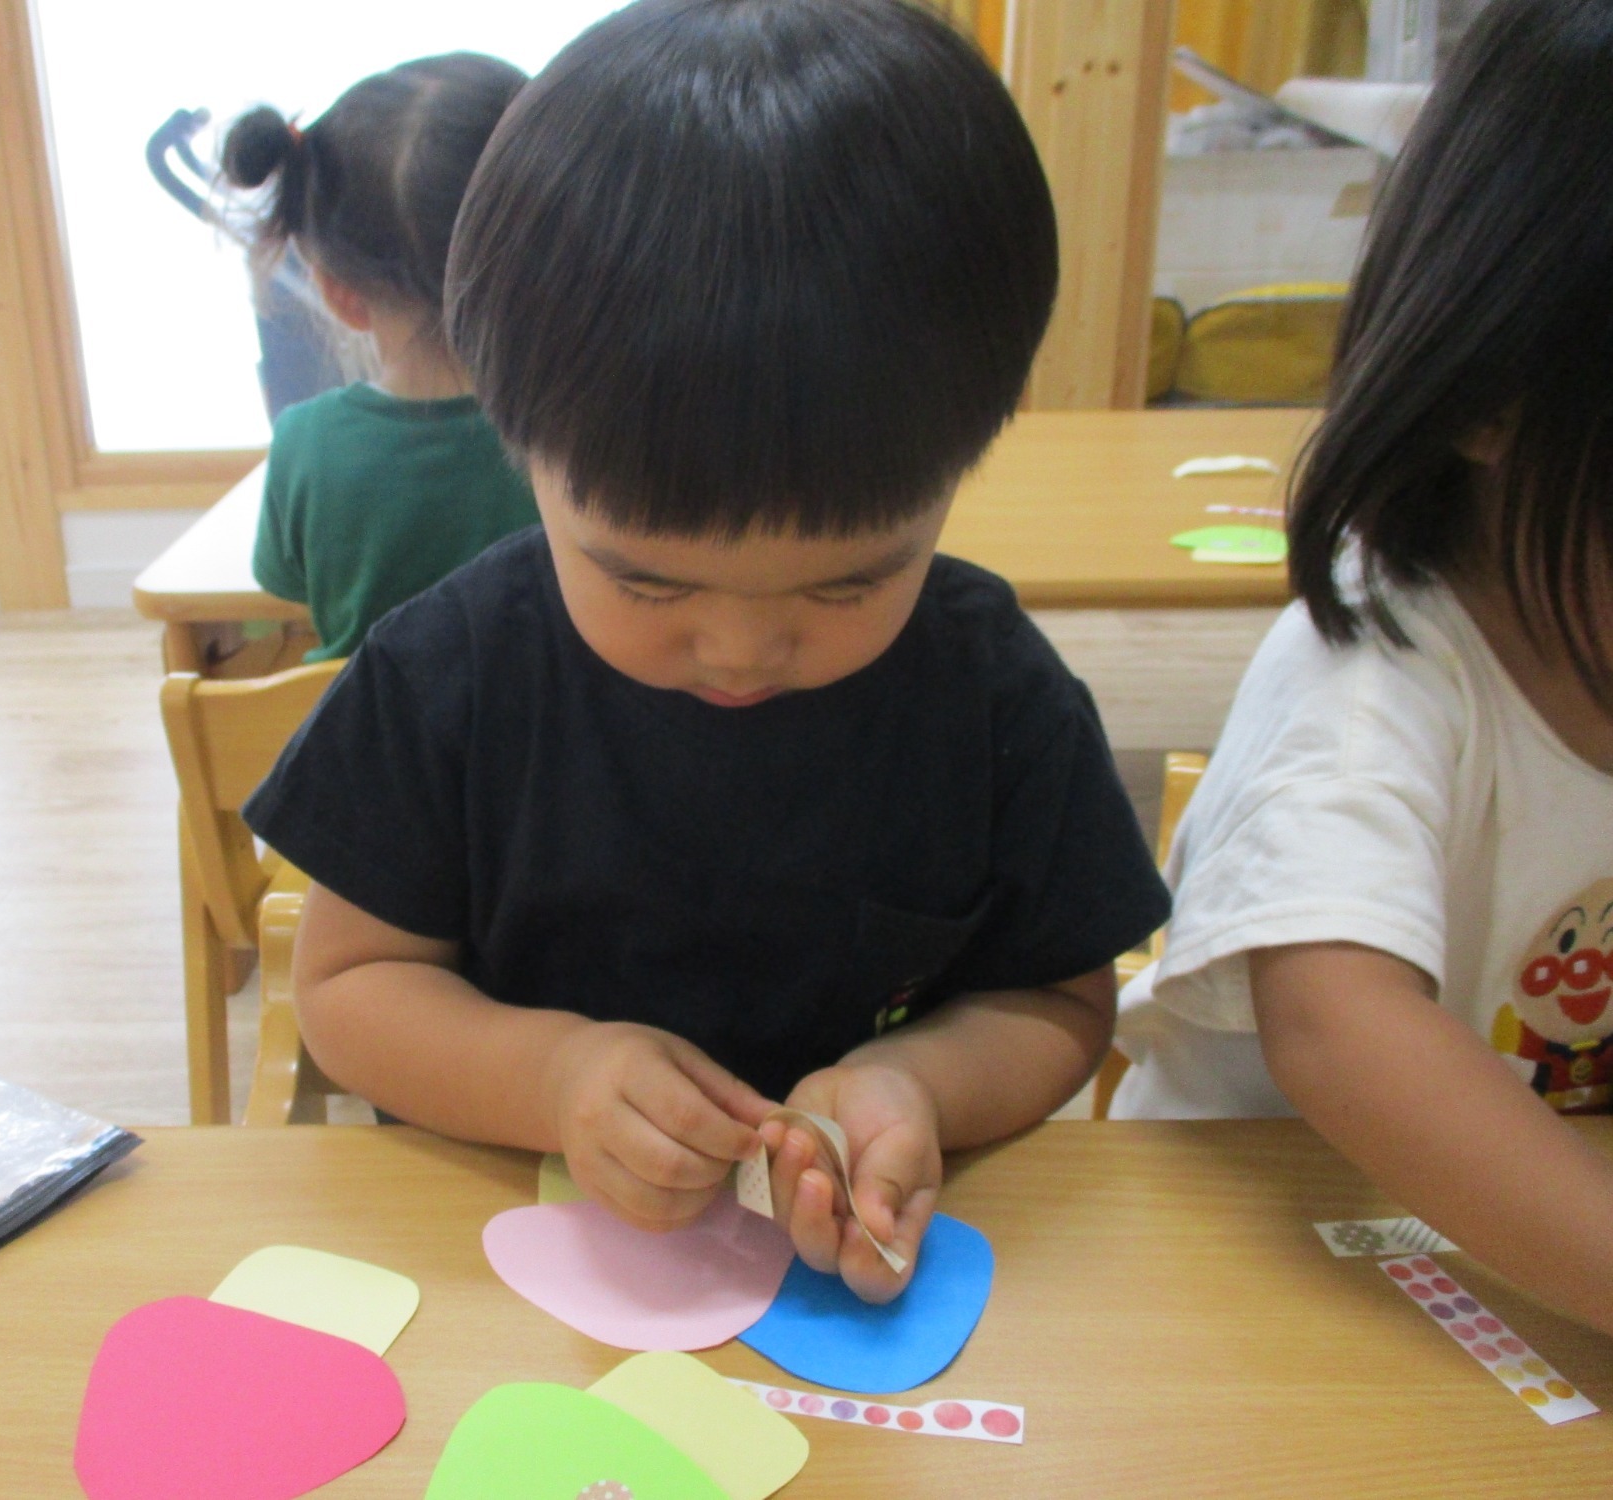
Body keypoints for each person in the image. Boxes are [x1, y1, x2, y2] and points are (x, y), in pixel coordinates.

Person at [246, 0, 1168, 1302]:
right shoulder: (448, 674)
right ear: (519, 444)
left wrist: (922, 1084)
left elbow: (1063, 1001)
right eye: (644, 577)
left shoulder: (991, 690)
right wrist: (554, 1076)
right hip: (515, 1282)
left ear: (960, 473)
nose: (740, 647)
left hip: (859, 1303)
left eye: (852, 579)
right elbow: (348, 986)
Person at [1110, 0, 1613, 1334]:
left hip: (1520, 1268)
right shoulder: (1379, 668)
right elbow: (1340, 1031)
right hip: (1255, 1267)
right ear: (1490, 396)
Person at [221, 54, 539, 663]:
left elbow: (288, 592)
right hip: (544, 753)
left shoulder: (308, 443)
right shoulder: (586, 435)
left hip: (370, 751)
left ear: (338, 291)